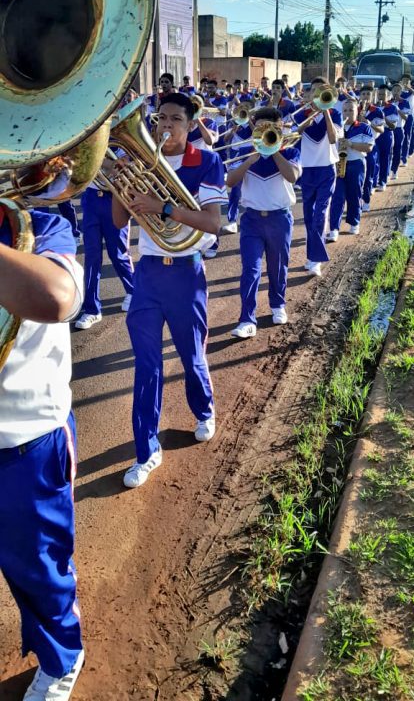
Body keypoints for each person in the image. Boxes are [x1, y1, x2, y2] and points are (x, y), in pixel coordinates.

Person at [112, 93, 227, 488]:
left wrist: (162, 208)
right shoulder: (144, 161)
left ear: (191, 124)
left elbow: (213, 223)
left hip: (185, 274)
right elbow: (117, 220)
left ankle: (204, 410)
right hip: (147, 276)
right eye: (160, 118)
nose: (165, 126)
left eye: (176, 119)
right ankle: (146, 451)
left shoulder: (207, 161)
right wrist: (119, 181)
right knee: (146, 367)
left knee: (192, 356)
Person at [0, 205, 84, 701]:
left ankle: (63, 658)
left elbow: (54, 296)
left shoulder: (40, 227)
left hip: (25, 441)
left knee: (39, 569)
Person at [227, 108, 301, 338]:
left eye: (272, 127)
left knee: (278, 267)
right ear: (253, 126)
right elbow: (230, 181)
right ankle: (247, 319)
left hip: (280, 218)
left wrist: (274, 149)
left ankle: (277, 304)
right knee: (250, 270)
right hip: (252, 220)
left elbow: (292, 177)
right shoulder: (242, 152)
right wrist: (250, 158)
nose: (267, 130)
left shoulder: (291, 152)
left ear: (280, 128)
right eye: (262, 126)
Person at [292, 81, 343, 276]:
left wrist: (325, 112)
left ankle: (316, 260)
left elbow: (332, 138)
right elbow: (294, 133)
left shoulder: (335, 113)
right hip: (307, 170)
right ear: (309, 94)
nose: (317, 94)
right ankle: (312, 255)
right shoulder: (302, 113)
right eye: (314, 91)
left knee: (319, 214)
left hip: (326, 169)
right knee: (307, 215)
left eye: (322, 92)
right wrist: (309, 116)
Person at [74, 176, 134, 330]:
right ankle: (92, 309)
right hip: (91, 197)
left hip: (116, 197)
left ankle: (133, 291)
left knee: (118, 254)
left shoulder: (122, 150)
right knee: (91, 256)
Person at [327, 98, 374, 240]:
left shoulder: (364, 127)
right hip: (339, 164)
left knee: (354, 195)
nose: (347, 113)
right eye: (345, 110)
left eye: (351, 110)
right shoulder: (337, 127)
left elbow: (369, 147)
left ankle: (354, 223)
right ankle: (334, 228)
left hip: (356, 164)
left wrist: (351, 144)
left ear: (357, 111)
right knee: (337, 197)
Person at [358, 86, 385, 212]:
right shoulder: (355, 109)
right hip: (356, 147)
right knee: (356, 177)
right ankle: (357, 200)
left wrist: (369, 123)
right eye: (363, 94)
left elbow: (381, 129)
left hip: (370, 146)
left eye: (368, 94)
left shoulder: (377, 111)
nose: (365, 96)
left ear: (372, 95)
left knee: (369, 175)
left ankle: (366, 200)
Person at [376, 86, 399, 191]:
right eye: (379, 94)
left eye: (383, 94)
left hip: (386, 135)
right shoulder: (373, 106)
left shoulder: (392, 108)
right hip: (374, 135)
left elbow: (393, 126)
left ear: (388, 96)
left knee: (385, 158)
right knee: (374, 159)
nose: (380, 96)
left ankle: (382, 181)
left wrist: (383, 117)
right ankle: (373, 182)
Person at [390, 83, 409, 180]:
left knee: (397, 150)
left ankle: (394, 170)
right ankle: (388, 170)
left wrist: (397, 109)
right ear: (391, 91)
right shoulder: (388, 102)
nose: (396, 92)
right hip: (389, 129)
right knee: (389, 151)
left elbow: (406, 117)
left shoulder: (405, 102)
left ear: (401, 92)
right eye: (394, 90)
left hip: (398, 129)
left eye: (398, 90)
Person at [400, 75, 414, 165]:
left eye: (407, 81)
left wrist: (408, 87)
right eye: (403, 80)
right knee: (401, 136)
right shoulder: (398, 91)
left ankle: (405, 157)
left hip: (409, 116)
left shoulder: (411, 92)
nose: (405, 82)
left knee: (407, 136)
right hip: (399, 116)